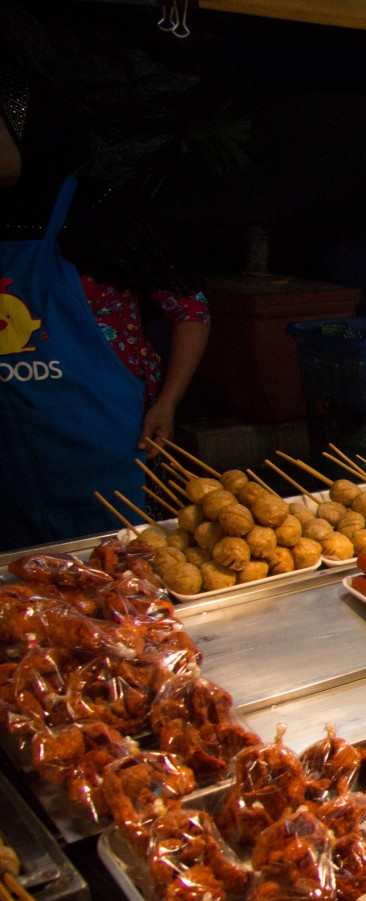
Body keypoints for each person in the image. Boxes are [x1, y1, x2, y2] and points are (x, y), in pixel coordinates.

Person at [0, 70, 209, 550]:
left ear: (29, 132)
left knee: (126, 565)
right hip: (16, 449)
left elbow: (190, 309)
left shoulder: (98, 209)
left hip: (107, 441)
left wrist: (169, 401)